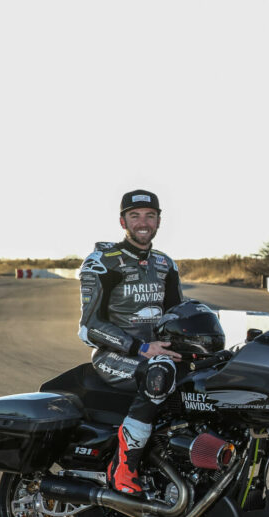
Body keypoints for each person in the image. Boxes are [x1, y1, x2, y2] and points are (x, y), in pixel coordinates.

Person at [78, 189, 184, 495]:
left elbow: (177, 313)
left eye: (150, 216)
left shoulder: (166, 264)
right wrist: (141, 348)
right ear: (122, 221)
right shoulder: (102, 262)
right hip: (114, 357)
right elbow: (90, 326)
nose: (143, 222)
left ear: (159, 221)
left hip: (157, 354)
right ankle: (124, 465)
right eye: (135, 216)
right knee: (159, 373)